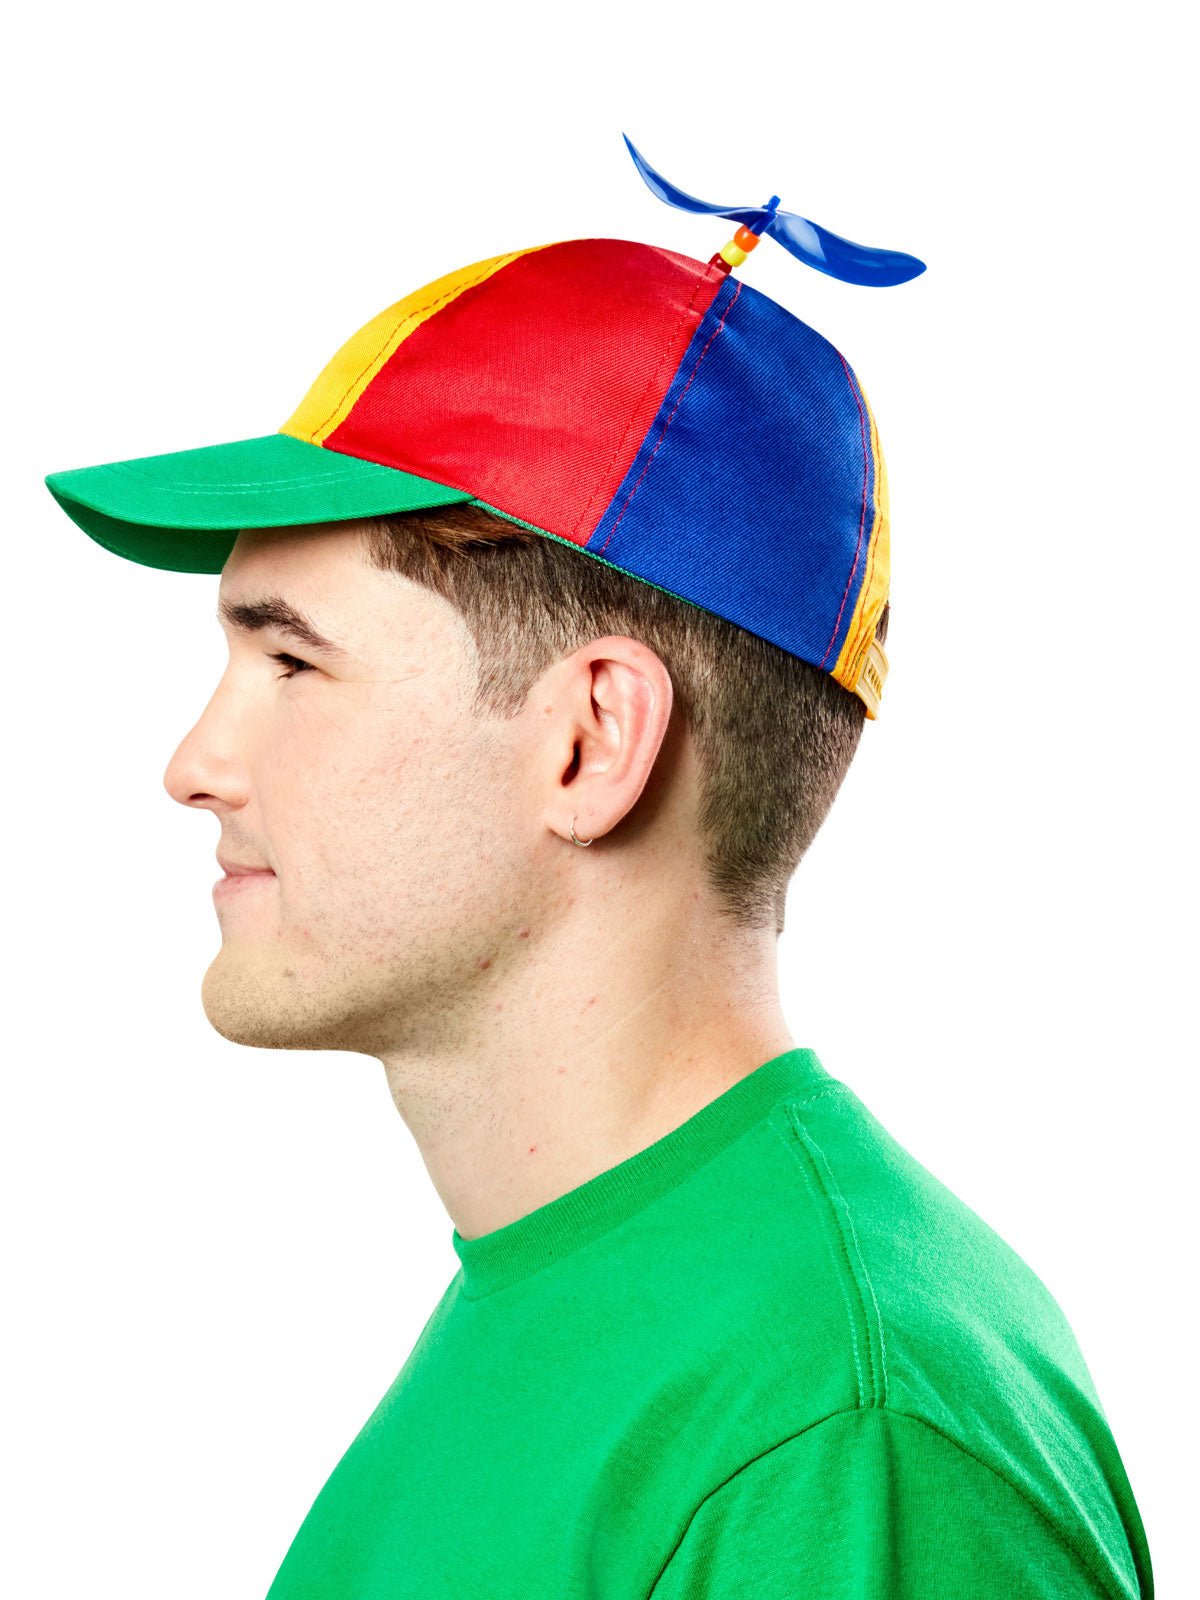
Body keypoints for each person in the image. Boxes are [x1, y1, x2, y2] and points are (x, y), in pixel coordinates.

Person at [44, 227, 1153, 1597]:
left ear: (590, 741)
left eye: (292, 662)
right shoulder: (576, 1283)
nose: (194, 765)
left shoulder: (835, 1438)